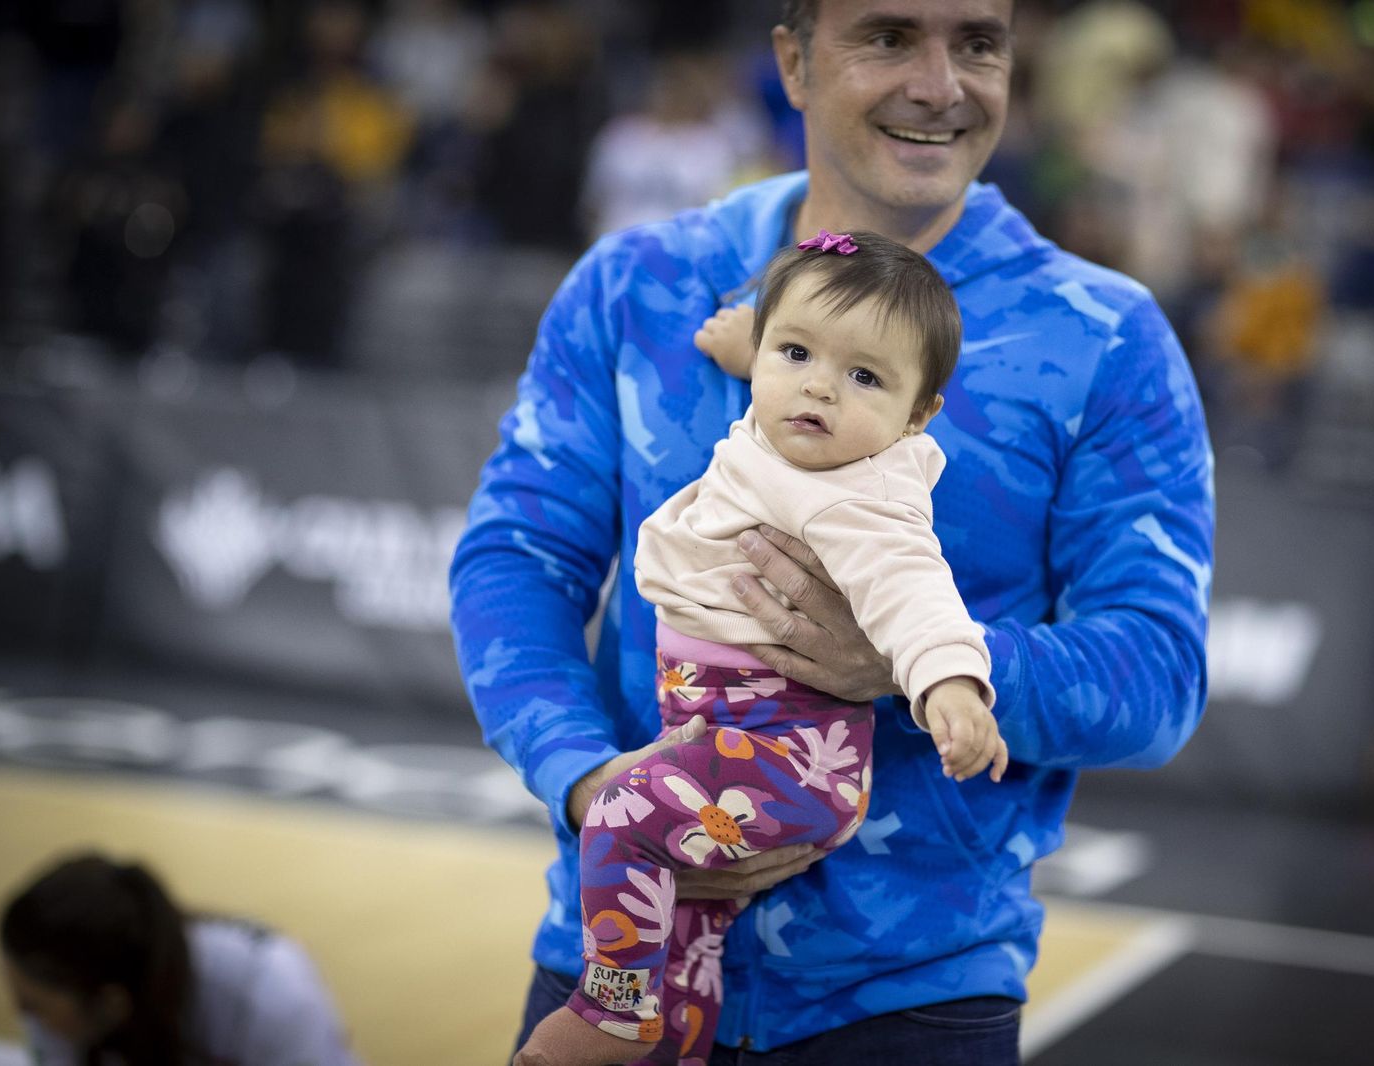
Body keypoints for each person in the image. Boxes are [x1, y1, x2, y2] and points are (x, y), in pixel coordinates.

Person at [449, 1, 1214, 1062]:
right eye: (890, 37)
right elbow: (513, 562)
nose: (941, 83)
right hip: (620, 956)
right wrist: (590, 785)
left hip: (908, 1003)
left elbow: (1159, 673)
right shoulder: (639, 286)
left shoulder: (1103, 337)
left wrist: (914, 661)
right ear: (794, 62)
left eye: (978, 44)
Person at [523, 229, 1008, 1066]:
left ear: (918, 414)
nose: (818, 386)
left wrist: (951, 686)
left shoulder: (866, 496)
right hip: (726, 730)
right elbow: (807, 372)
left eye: (864, 377)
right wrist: (756, 349)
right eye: (795, 352)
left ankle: (610, 1011)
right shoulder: (796, 419)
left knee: (621, 815)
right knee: (692, 925)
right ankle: (674, 1038)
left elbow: (916, 594)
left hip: (788, 751)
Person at [0, 852, 359, 1066]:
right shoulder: (68, 1011)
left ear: (112, 1005)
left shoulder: (272, 995)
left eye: (31, 1005)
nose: (23, 1017)